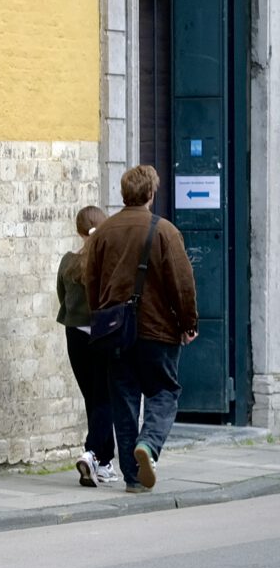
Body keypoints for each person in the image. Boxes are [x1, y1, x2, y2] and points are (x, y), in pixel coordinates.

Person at [82, 165, 199, 492]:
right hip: (158, 331)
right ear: (151, 193)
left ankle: (133, 478)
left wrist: (101, 319)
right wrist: (188, 323)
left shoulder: (103, 233)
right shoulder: (164, 232)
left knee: (125, 402)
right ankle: (148, 444)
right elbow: (183, 283)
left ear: (124, 194)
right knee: (164, 392)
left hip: (117, 333)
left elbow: (90, 282)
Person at [58, 205, 117, 487]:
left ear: (78, 230)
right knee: (106, 398)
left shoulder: (68, 262)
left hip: (75, 335)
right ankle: (92, 452)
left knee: (93, 399)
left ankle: (105, 463)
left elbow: (62, 297)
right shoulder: (110, 263)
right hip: (103, 335)